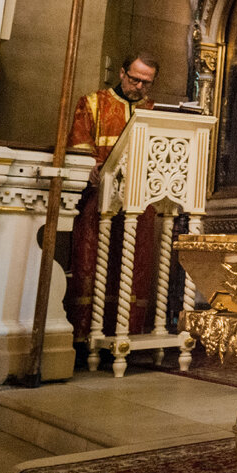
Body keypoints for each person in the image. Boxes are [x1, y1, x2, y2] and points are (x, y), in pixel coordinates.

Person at [64, 52, 160, 345]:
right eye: (135, 79)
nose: (139, 87)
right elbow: (79, 145)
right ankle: (84, 335)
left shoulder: (155, 111)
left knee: (133, 265)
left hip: (140, 202)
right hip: (98, 200)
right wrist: (91, 167)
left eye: (146, 82)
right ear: (121, 73)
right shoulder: (94, 103)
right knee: (90, 262)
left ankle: (126, 335)